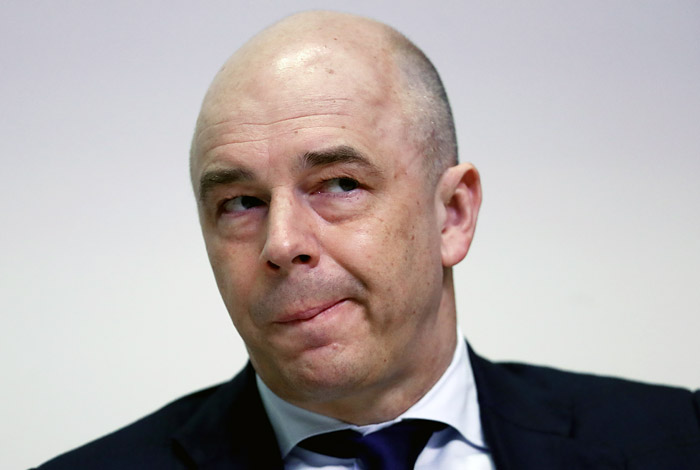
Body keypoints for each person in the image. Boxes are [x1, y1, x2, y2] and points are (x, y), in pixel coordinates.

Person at [35, 10, 699, 470]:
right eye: (240, 202)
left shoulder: (676, 441)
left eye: (339, 184)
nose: (281, 243)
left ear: (453, 215)